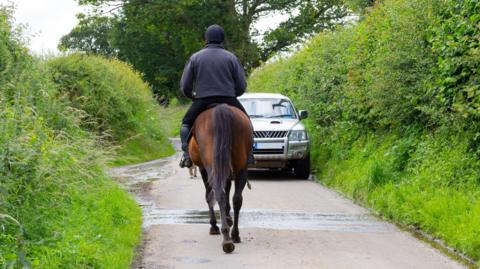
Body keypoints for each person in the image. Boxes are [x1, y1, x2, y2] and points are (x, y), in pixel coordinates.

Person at [179, 24, 254, 168]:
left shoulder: (195, 57)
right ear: (222, 39)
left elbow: (185, 86)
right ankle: (249, 154)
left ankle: (187, 155)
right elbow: (241, 85)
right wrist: (233, 94)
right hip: (228, 98)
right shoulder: (231, 57)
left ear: (206, 39)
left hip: (203, 99)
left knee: (186, 123)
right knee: (248, 122)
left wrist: (193, 96)